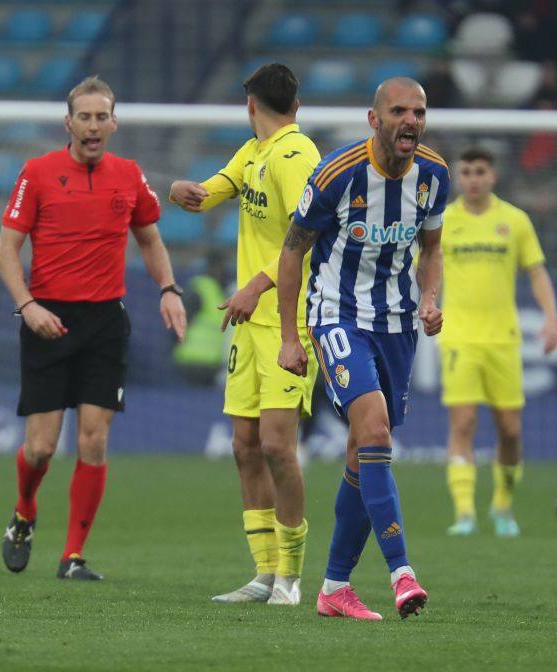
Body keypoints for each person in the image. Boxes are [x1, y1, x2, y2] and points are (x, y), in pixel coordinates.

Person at [0, 76, 186, 580]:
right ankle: (24, 510)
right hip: (47, 320)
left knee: (95, 441)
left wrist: (169, 289)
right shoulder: (37, 173)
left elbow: (148, 239)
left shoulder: (128, 175)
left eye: (102, 116)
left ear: (114, 122)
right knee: (39, 447)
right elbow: (7, 251)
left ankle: (73, 555)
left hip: (105, 321)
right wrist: (27, 305)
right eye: (85, 116)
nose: (94, 125)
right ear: (69, 123)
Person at [277, 77, 448, 620]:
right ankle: (402, 573)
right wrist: (288, 337)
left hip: (398, 323)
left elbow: (433, 246)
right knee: (374, 432)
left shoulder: (435, 175)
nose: (411, 121)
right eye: (399, 111)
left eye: (419, 112)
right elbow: (291, 254)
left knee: (362, 450)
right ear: (374, 119)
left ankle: (333, 587)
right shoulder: (335, 175)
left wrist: (431, 297)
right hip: (336, 315)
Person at [169, 63, 320, 605]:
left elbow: (312, 236)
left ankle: (292, 579)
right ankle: (263, 573)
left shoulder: (296, 157)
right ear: (293, 105)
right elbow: (214, 191)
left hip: (288, 321)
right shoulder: (252, 153)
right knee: (245, 445)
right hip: (247, 326)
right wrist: (185, 190)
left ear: (250, 103)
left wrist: (255, 285)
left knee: (279, 447)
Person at [440, 147, 557, 537]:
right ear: (459, 176)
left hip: (503, 340)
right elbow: (424, 268)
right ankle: (464, 513)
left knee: (509, 430)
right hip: (458, 336)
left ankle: (503, 506)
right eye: (467, 171)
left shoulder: (514, 220)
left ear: (493, 176)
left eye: (480, 171)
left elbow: (537, 273)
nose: (473, 178)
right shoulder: (444, 221)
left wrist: (551, 318)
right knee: (463, 422)